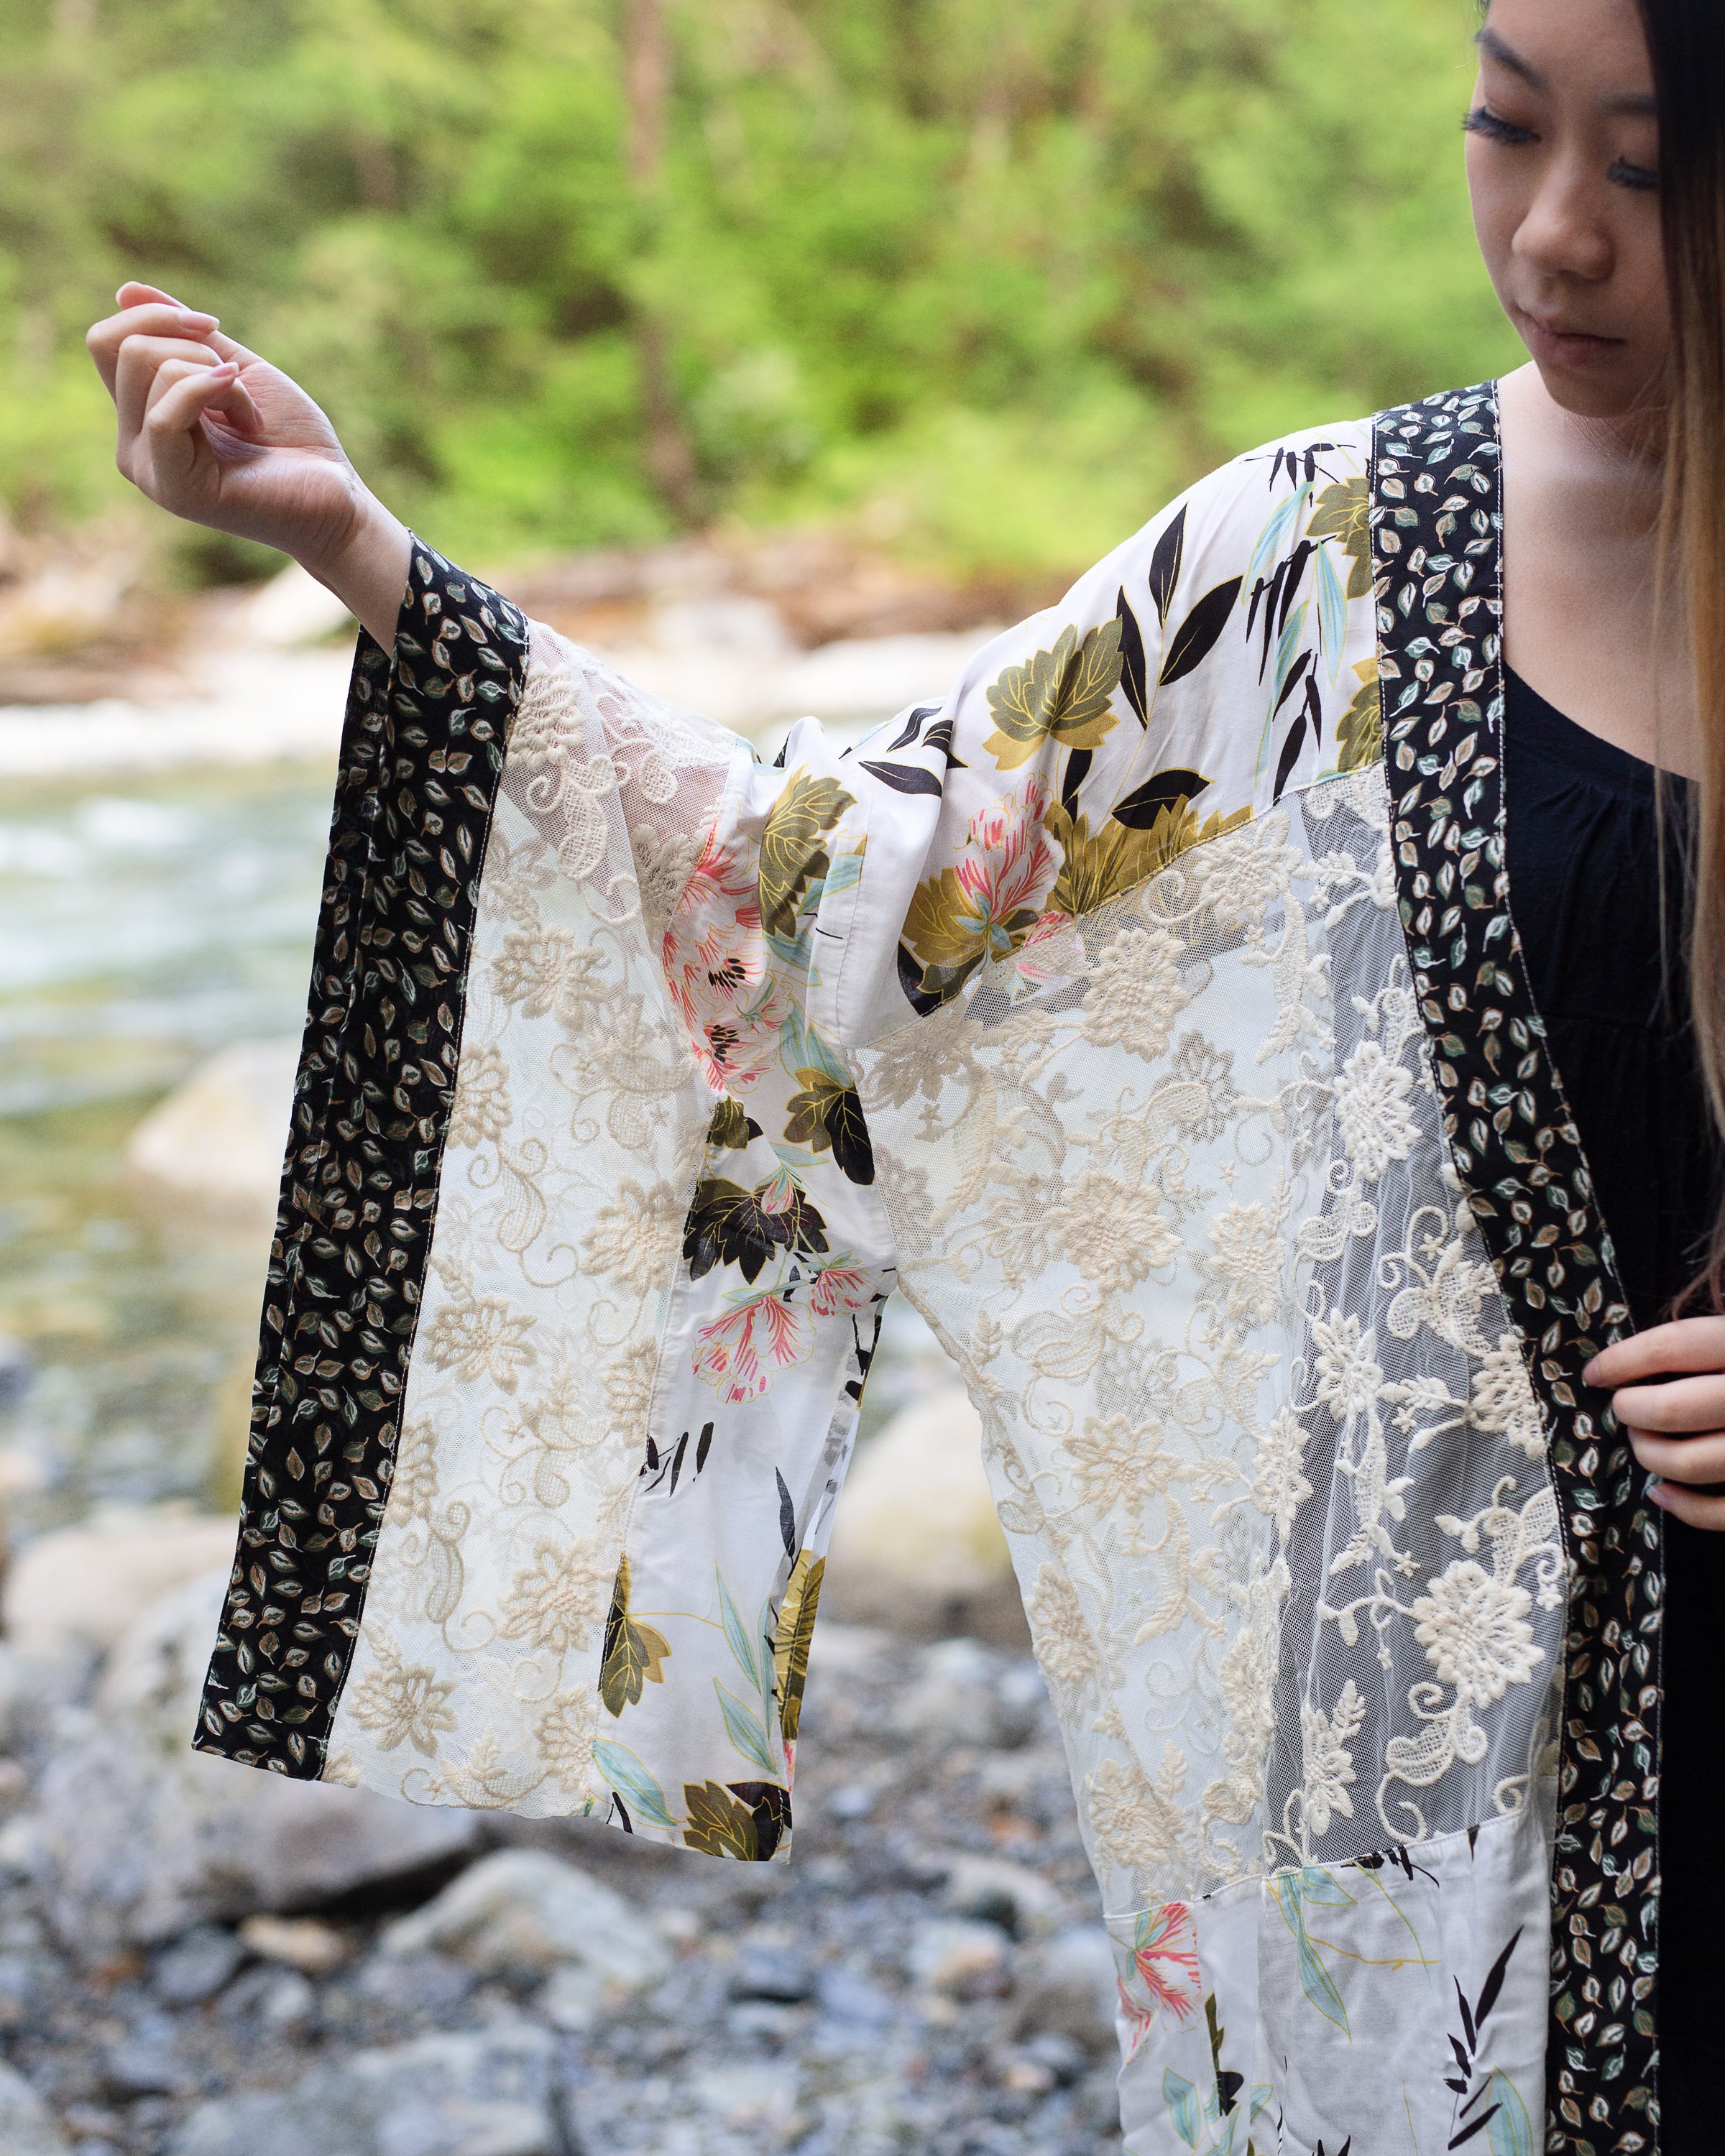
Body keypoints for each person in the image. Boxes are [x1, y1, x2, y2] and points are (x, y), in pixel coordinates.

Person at [81, 0, 1725, 2147]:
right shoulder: (1325, 564)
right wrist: (362, 553)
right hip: (1445, 1754)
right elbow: (845, 895)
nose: (1556, 234)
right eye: (1507, 126)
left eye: (1654, 164)